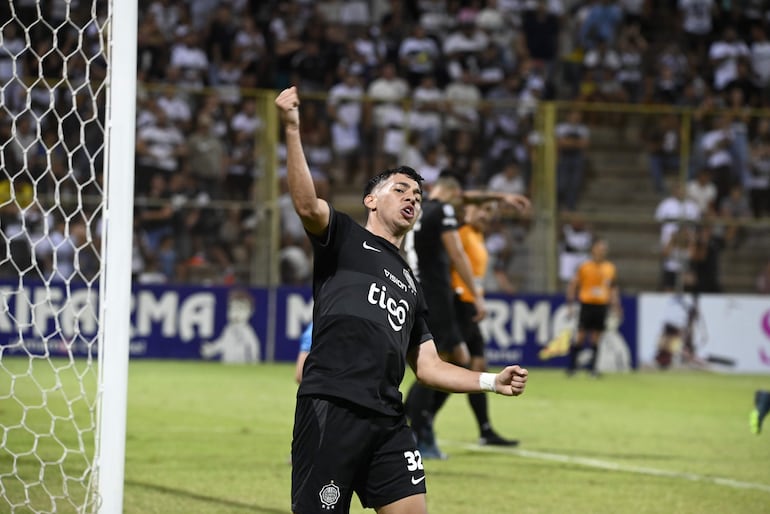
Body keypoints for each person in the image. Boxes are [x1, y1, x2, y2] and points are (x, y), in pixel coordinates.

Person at [275, 86, 529, 514]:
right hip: (333, 405)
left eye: (417, 195)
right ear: (370, 200)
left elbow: (427, 367)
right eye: (401, 189)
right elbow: (304, 202)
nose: (412, 196)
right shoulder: (344, 238)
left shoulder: (412, 283)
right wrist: (293, 128)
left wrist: (490, 381)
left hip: (388, 418)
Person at [404, 173, 530, 459]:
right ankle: (417, 433)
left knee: (458, 360)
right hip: (438, 297)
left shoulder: (418, 211)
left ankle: (419, 426)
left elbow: (465, 197)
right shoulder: (445, 210)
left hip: (418, 291)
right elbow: (457, 255)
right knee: (435, 368)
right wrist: (477, 293)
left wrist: (500, 198)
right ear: (453, 194)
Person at [565, 237, 621, 377]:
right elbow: (574, 284)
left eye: (603, 249)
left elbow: (613, 288)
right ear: (593, 250)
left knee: (596, 337)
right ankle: (572, 367)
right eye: (599, 249)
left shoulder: (610, 268)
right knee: (581, 335)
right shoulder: (585, 267)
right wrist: (570, 303)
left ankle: (593, 368)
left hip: (601, 305)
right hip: (587, 304)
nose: (602, 252)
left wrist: (616, 305)